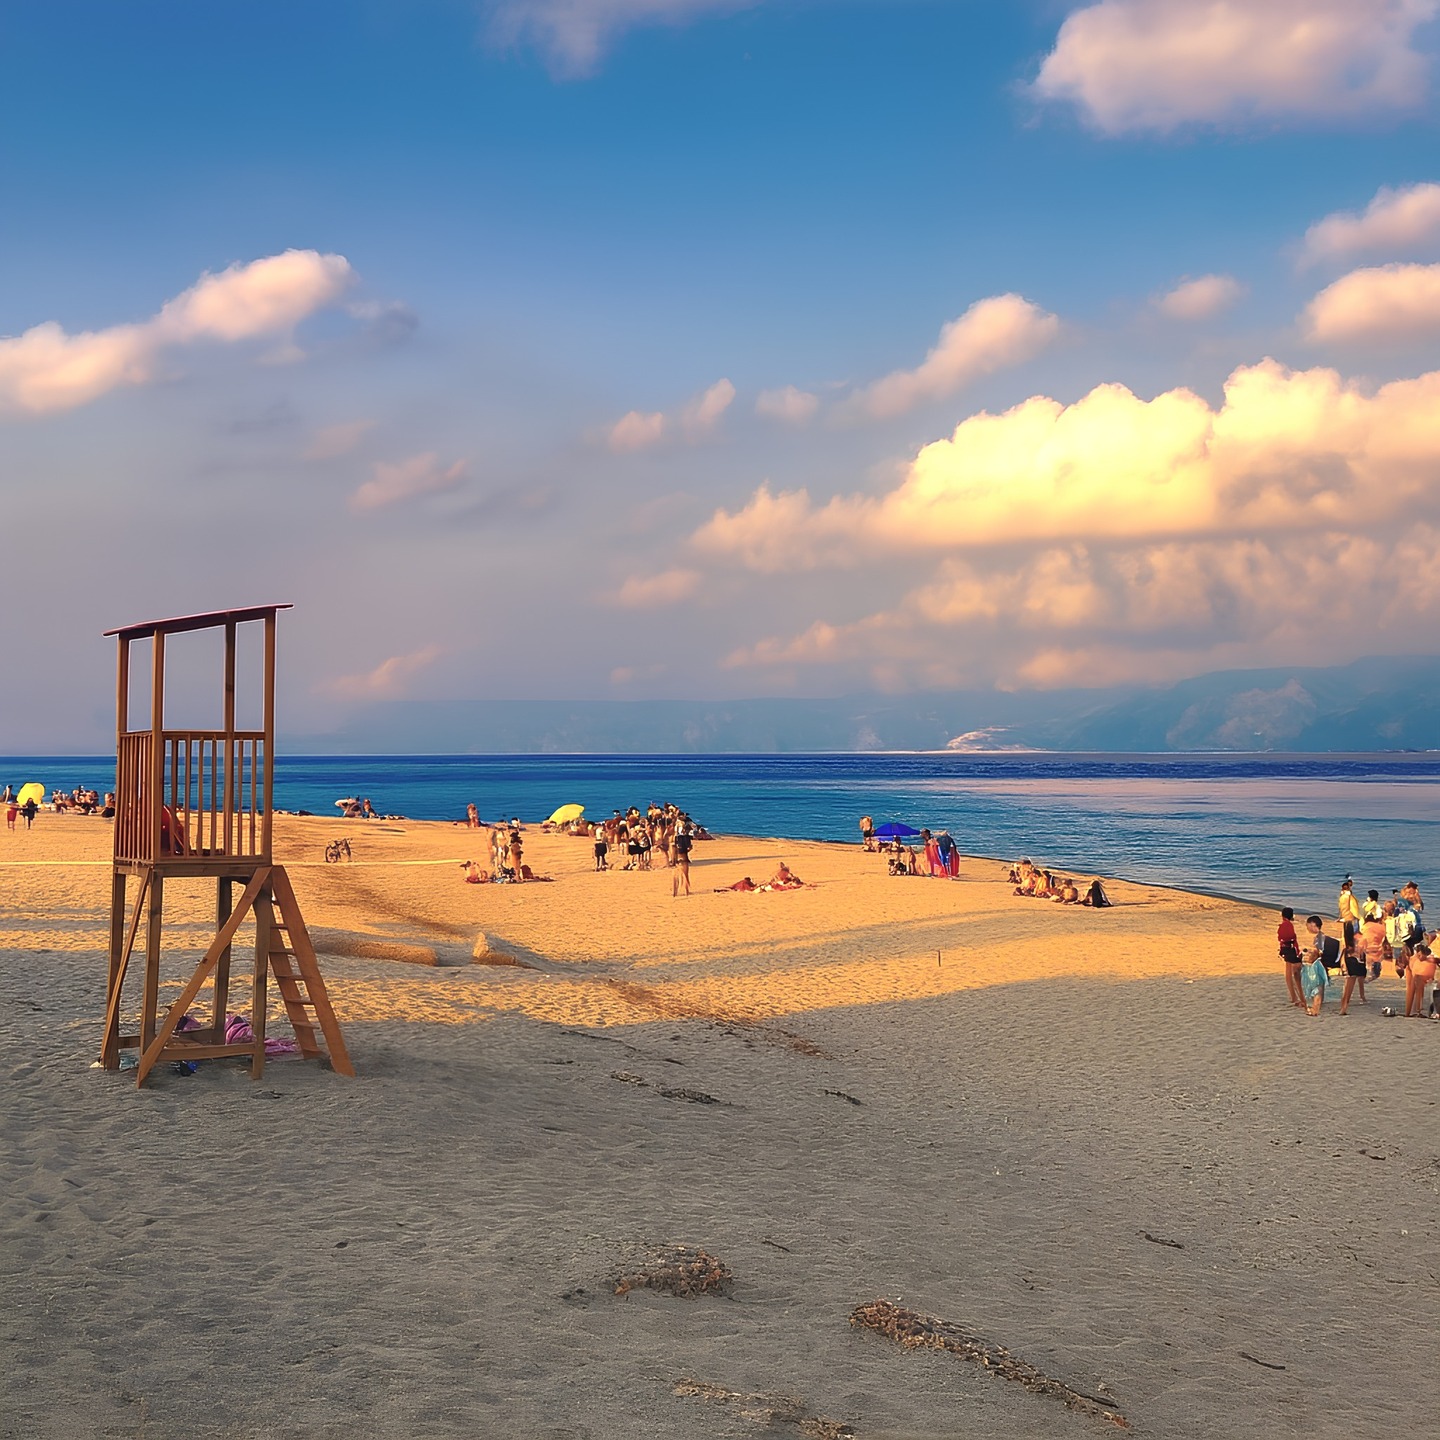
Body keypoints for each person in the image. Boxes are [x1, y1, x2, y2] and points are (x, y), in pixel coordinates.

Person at [1338, 921, 1368, 1014]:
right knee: (1351, 985)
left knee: (1347, 986)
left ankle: (1343, 1006)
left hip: (1348, 961)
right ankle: (1345, 1007)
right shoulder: (1361, 939)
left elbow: (1341, 952)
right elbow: (1363, 953)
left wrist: (1342, 964)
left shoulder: (1345, 940)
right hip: (1358, 963)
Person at [1278, 907, 1302, 1007]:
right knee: (1295, 972)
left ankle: (1293, 996)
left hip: (1285, 948)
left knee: (1288, 973)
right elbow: (1291, 937)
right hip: (1291, 949)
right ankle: (1295, 996)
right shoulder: (1288, 925)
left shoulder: (1283, 925)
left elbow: (1280, 937)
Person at [672, 820, 692, 897]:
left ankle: (675, 893)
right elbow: (689, 848)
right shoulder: (686, 838)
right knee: (685, 875)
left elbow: (673, 848)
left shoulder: (676, 837)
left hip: (677, 858)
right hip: (684, 858)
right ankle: (686, 891)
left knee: (676, 876)